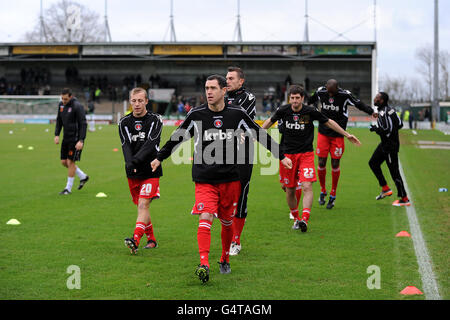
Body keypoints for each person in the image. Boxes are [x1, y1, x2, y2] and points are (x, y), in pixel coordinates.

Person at [151, 75, 291, 283]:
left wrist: (281, 155)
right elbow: (178, 137)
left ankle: (224, 258)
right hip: (204, 178)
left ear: (223, 91)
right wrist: (159, 158)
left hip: (230, 179)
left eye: (213, 88)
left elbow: (258, 134)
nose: (208, 92)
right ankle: (204, 263)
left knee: (226, 222)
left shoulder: (237, 114)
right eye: (206, 88)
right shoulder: (196, 114)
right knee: (205, 216)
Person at [262, 85, 361, 232]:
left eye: (297, 98)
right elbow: (269, 122)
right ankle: (296, 218)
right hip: (287, 156)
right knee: (289, 190)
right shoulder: (283, 110)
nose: (295, 101)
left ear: (302, 98)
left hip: (306, 155)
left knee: (307, 186)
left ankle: (305, 219)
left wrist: (346, 134)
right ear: (289, 98)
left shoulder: (310, 111)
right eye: (292, 98)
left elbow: (328, 122)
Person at [308, 79, 376, 209]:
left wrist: (371, 111)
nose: (331, 96)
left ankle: (333, 193)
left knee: (335, 163)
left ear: (337, 89)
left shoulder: (345, 95)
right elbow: (310, 100)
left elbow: (358, 104)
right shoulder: (321, 92)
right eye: (329, 93)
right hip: (323, 133)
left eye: (333, 93)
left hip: (338, 135)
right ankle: (323, 190)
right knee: (321, 162)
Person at [119, 87, 163, 254]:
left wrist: (135, 161)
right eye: (134, 101)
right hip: (133, 171)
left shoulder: (155, 119)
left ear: (146, 101)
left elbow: (151, 143)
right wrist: (129, 164)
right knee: (141, 207)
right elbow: (125, 145)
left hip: (151, 169)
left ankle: (135, 239)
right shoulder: (123, 122)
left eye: (140, 101)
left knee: (143, 204)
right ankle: (151, 239)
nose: (136, 104)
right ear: (130, 101)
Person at [225, 66, 256, 256]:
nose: (227, 81)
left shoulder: (248, 98)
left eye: (230, 78)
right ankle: (226, 235)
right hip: (220, 152)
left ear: (240, 81)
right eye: (226, 78)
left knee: (241, 195)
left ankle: (236, 240)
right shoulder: (220, 95)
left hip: (243, 153)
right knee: (224, 194)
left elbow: (243, 123)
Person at [369, 92, 410, 206]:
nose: (374, 98)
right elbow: (400, 124)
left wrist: (376, 129)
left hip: (389, 147)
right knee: (373, 163)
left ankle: (404, 199)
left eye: (377, 97)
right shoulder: (390, 110)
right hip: (385, 144)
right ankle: (385, 188)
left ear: (381, 101)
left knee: (394, 172)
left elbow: (387, 129)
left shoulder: (383, 112)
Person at [54, 88, 89, 195]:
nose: (63, 101)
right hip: (66, 138)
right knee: (64, 162)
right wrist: (56, 134)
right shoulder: (61, 105)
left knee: (70, 162)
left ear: (70, 96)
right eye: (62, 99)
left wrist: (81, 140)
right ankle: (83, 176)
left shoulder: (77, 106)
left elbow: (83, 124)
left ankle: (68, 189)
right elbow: (59, 121)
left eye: (65, 99)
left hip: (75, 140)